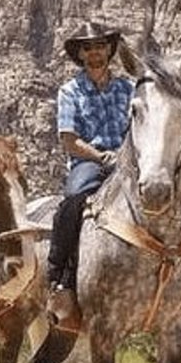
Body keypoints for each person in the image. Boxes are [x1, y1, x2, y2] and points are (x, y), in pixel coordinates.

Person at [45, 21, 134, 332]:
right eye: (88, 47)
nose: (95, 52)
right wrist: (102, 156)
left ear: (109, 50)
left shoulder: (128, 89)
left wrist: (127, 156)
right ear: (81, 54)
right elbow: (70, 140)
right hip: (90, 162)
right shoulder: (70, 91)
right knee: (73, 200)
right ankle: (60, 276)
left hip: (128, 161)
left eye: (100, 46)